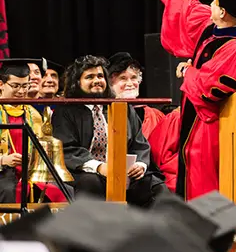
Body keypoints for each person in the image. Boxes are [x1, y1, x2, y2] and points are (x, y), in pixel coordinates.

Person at [138, 0, 236, 200]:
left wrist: (189, 71)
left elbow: (211, 89)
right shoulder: (215, 29)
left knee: (204, 181)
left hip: (212, 127)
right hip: (196, 123)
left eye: (213, 2)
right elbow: (186, 6)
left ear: (222, 12)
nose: (208, 4)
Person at [51, 55, 166, 207]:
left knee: (154, 186)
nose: (97, 80)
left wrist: (140, 164)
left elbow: (140, 144)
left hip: (123, 172)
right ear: (77, 82)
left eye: (100, 76)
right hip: (84, 172)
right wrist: (99, 167)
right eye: (89, 77)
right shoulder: (65, 111)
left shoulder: (122, 108)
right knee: (92, 183)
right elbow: (66, 148)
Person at [0, 59, 69, 203]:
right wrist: (3, 160)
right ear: (1, 85)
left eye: (25, 86)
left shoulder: (34, 115)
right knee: (7, 189)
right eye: (15, 86)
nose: (21, 91)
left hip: (29, 172)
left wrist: (34, 159)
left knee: (65, 190)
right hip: (3, 172)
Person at [107, 52, 165, 138]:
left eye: (133, 78)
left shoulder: (156, 116)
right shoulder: (103, 115)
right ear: (110, 83)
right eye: (123, 78)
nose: (130, 84)